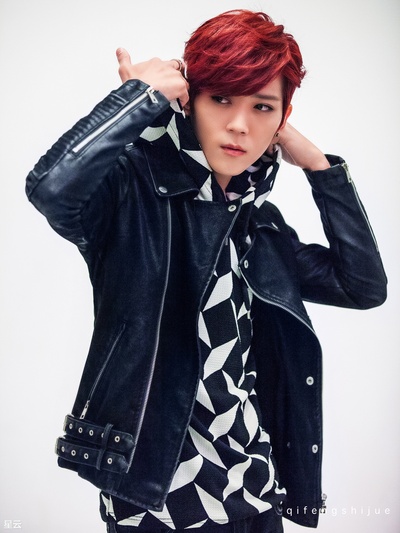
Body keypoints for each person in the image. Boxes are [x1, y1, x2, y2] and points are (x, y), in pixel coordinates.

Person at [25, 9, 387, 533]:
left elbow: (362, 286)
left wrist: (320, 167)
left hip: (256, 495)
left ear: (282, 119)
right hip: (153, 503)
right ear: (188, 100)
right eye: (220, 99)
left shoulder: (258, 225)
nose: (240, 125)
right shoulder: (133, 199)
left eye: (262, 107)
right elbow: (51, 190)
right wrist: (138, 99)